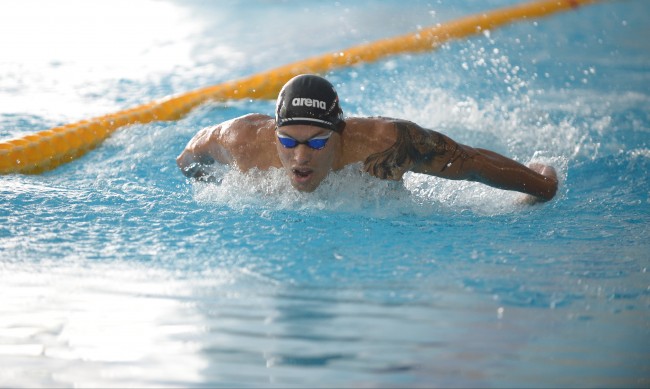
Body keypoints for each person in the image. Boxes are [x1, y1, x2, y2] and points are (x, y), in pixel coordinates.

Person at [177, 74, 558, 203]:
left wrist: (540, 183)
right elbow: (188, 157)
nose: (301, 157)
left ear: (340, 135)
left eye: (317, 142)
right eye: (289, 142)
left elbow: (470, 162)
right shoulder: (242, 141)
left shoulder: (385, 144)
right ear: (274, 135)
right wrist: (213, 183)